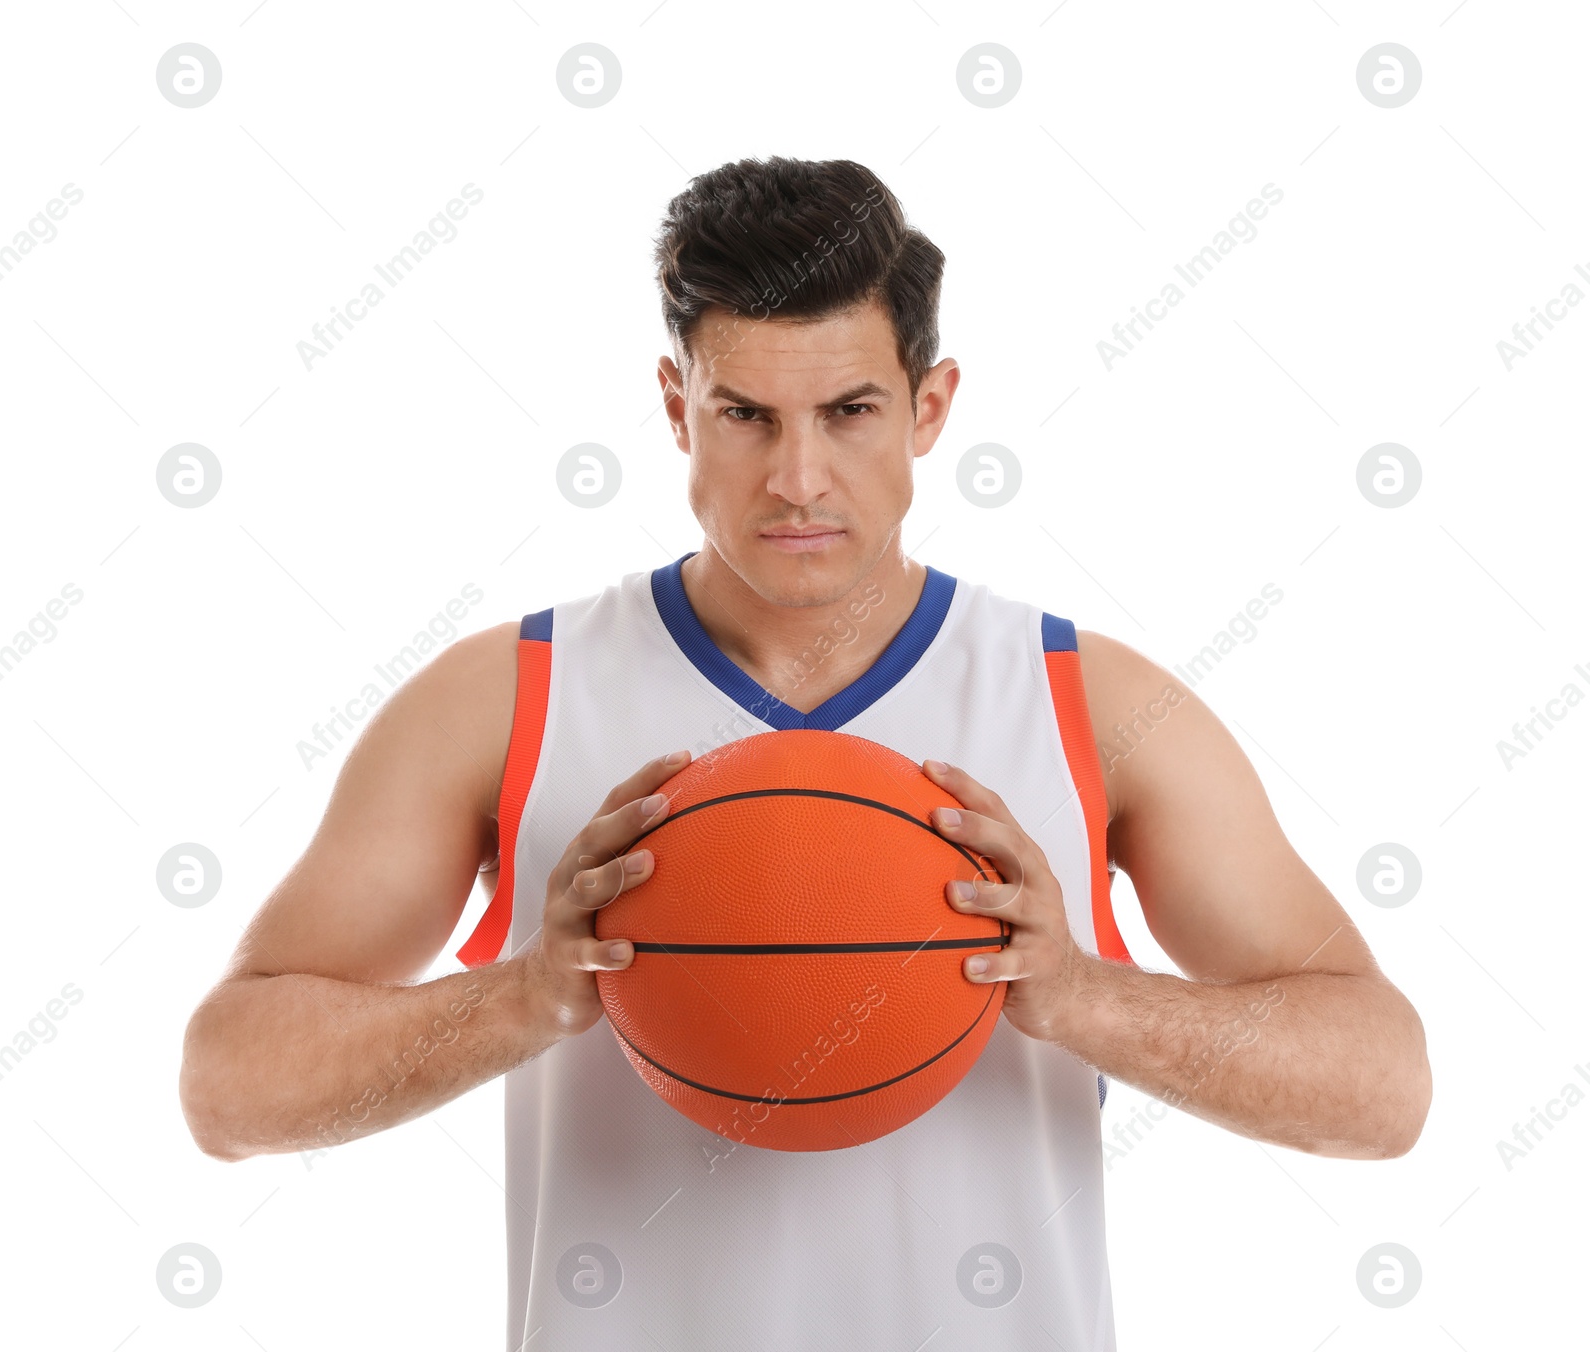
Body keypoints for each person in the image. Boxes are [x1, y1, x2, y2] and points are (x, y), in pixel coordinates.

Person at [180, 156, 1431, 1349]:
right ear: (676, 404)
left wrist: (1078, 991)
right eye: (744, 414)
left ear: (929, 406)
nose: (796, 477)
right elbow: (229, 1085)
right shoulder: (507, 698)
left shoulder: (1084, 700)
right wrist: (528, 992)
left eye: (848, 411)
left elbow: (1380, 1084)